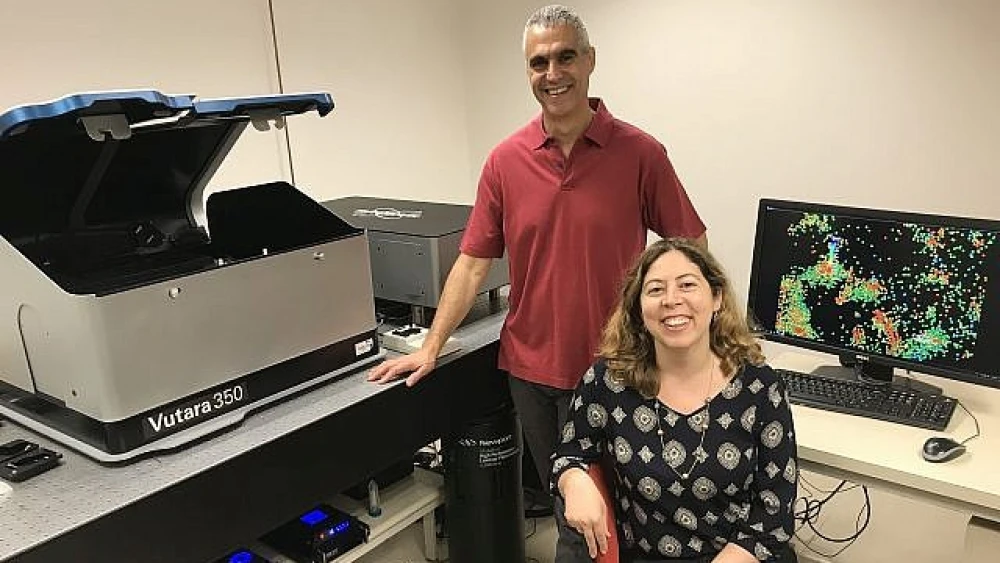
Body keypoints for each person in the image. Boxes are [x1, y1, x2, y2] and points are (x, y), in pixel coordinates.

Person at [370, 5, 706, 560]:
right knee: (570, 507)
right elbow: (472, 263)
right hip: (531, 373)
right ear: (528, 72)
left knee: (616, 514)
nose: (553, 74)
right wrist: (429, 347)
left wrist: (696, 341)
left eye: (566, 57)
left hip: (615, 371)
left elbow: (691, 251)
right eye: (539, 62)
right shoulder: (506, 161)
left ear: (590, 61)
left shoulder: (641, 153)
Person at [552, 238, 798, 563]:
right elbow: (569, 454)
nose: (671, 300)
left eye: (687, 285)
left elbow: (775, 512)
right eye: (655, 290)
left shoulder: (760, 388)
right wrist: (574, 481)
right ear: (638, 309)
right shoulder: (608, 382)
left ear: (717, 298)